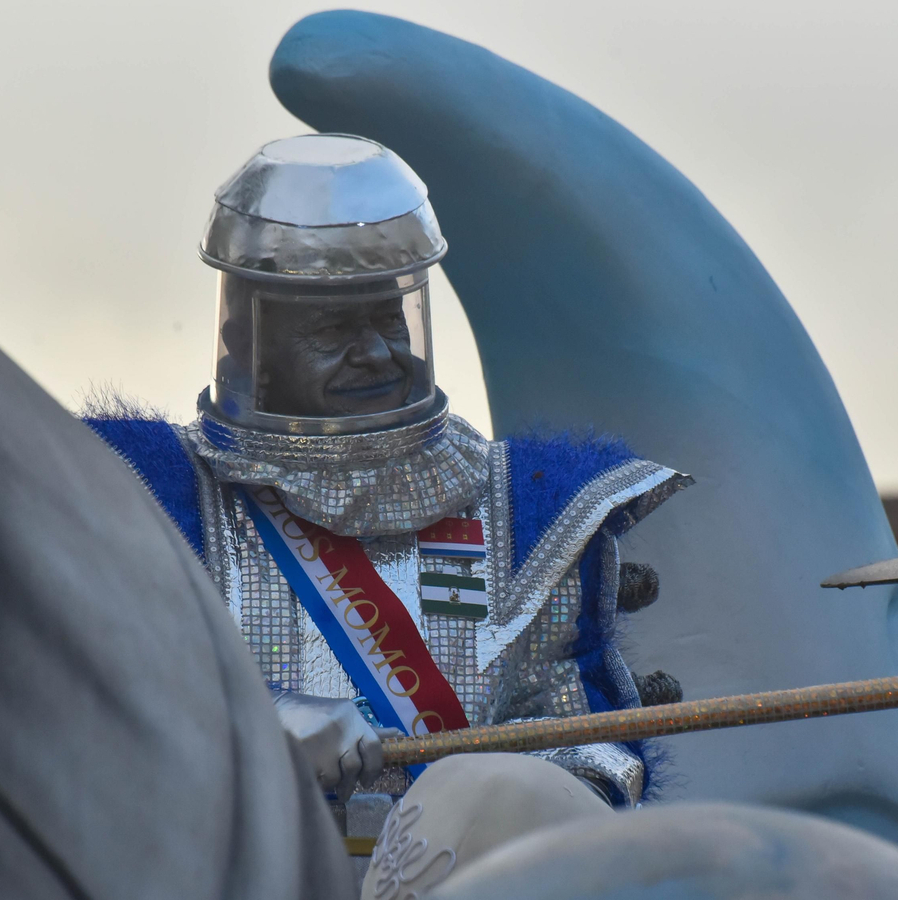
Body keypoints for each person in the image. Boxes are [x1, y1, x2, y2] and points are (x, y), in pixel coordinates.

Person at [85, 133, 690, 895]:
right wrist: (244, 724)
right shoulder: (147, 497)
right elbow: (77, 703)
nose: (375, 352)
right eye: (332, 329)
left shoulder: (530, 508)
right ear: (248, 338)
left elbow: (595, 758)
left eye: (388, 319)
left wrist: (487, 798)